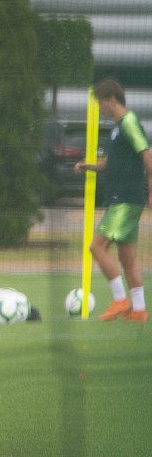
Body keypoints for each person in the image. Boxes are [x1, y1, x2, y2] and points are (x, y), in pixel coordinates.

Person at [74, 78, 152, 323]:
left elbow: (147, 156)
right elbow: (110, 162)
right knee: (127, 256)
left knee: (96, 246)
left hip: (126, 199)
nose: (100, 109)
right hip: (123, 198)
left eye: (100, 103)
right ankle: (138, 310)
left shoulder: (129, 123)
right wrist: (90, 166)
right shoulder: (117, 128)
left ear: (111, 100)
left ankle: (120, 300)